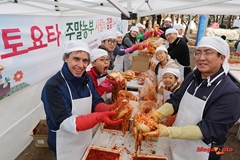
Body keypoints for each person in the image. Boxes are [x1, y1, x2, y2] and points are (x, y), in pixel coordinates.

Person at [143, 36, 240, 160]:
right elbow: (175, 100)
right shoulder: (192, 77)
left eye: (208, 52)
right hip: (178, 140)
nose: (201, 57)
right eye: (198, 52)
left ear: (222, 58)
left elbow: (208, 129)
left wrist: (167, 132)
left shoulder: (230, 93)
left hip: (203, 150)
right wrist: (156, 115)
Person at [41, 40, 123, 160]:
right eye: (76, 59)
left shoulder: (87, 79)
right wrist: (99, 117)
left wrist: (112, 108)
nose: (81, 65)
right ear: (66, 58)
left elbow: (95, 102)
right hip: (63, 142)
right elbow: (65, 122)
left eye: (85, 61)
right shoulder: (53, 86)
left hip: (85, 135)